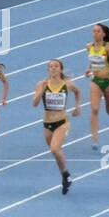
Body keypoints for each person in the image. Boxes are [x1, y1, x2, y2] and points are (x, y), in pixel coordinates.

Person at [32, 59, 81, 194]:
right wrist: (41, 91)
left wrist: (78, 107)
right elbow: (34, 103)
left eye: (56, 66)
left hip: (62, 122)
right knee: (56, 154)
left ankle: (66, 176)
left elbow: (78, 92)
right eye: (50, 67)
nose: (53, 68)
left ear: (60, 69)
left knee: (55, 149)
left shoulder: (67, 84)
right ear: (48, 70)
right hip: (47, 124)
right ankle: (65, 176)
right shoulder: (41, 84)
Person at [84, 22, 109, 149]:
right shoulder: (89, 46)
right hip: (95, 81)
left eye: (97, 31)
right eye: (93, 31)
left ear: (103, 34)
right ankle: (94, 140)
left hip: (107, 81)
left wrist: (104, 73)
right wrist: (88, 69)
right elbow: (92, 60)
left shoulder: (108, 47)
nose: (95, 33)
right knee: (94, 109)